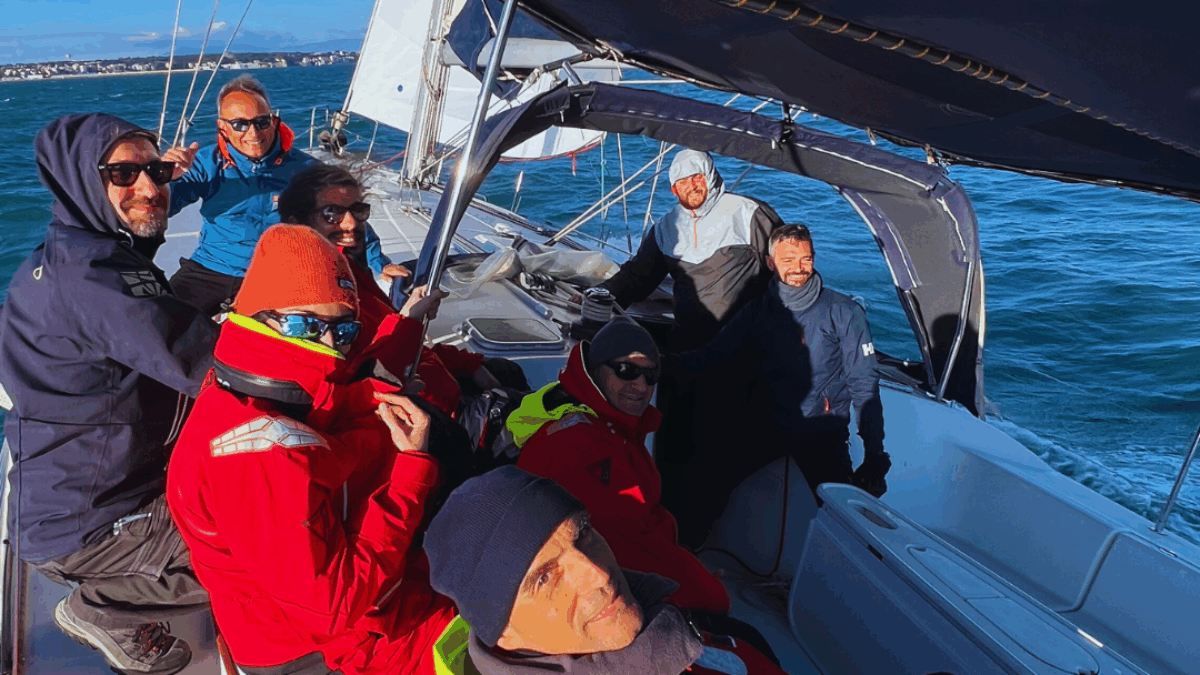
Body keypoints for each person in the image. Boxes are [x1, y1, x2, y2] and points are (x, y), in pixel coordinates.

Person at [166, 225, 456, 675]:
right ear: (258, 317)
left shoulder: (247, 388)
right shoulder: (255, 454)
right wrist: (411, 477)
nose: (329, 345)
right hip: (318, 648)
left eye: (344, 331)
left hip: (339, 610)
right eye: (305, 325)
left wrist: (379, 380)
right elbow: (336, 606)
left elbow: (323, 401)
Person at [0, 113, 219, 675]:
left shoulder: (74, 253)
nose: (149, 186)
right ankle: (105, 607)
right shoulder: (93, 278)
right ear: (80, 179)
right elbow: (210, 367)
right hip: (93, 526)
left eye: (157, 171)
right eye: (122, 174)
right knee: (265, 547)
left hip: (74, 499)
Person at [423, 466, 784, 675]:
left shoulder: (660, 615)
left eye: (582, 533)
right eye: (544, 578)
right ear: (503, 634)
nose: (598, 574)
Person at [668, 224, 890, 547]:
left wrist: (874, 454)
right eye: (788, 260)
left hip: (821, 429)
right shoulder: (758, 309)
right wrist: (660, 364)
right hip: (766, 423)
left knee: (845, 514)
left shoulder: (845, 312)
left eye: (805, 259)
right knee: (705, 478)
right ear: (771, 263)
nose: (798, 268)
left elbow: (864, 384)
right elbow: (713, 355)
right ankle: (681, 555)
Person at [597, 149, 783, 510]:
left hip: (742, 353)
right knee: (675, 441)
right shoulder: (667, 227)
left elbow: (787, 267)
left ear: (711, 176)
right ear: (673, 189)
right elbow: (638, 277)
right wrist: (599, 295)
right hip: (688, 351)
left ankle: (707, 516)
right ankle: (668, 513)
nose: (691, 186)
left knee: (723, 446)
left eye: (697, 177)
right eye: (682, 181)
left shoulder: (749, 214)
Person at [510, 317, 729, 613]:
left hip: (622, 564)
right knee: (720, 609)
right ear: (596, 371)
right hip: (582, 590)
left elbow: (641, 524)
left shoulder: (613, 425)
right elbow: (623, 551)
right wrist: (705, 589)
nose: (640, 385)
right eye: (627, 370)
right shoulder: (579, 445)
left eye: (651, 374)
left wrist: (688, 565)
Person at [163, 75, 404, 315]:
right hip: (213, 267)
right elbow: (162, 208)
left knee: (302, 330)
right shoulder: (205, 164)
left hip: (279, 273)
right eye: (240, 124)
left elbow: (345, 216)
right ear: (223, 127)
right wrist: (165, 178)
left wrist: (380, 263)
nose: (253, 132)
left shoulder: (305, 169)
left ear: (274, 121)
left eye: (262, 121)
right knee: (164, 318)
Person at [276, 163, 501, 415]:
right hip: (413, 418)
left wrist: (467, 363)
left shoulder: (345, 267)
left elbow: (392, 343)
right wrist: (409, 320)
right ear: (298, 222)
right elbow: (346, 388)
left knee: (507, 373)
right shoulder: (309, 296)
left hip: (436, 391)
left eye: (357, 210)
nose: (351, 223)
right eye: (332, 213)